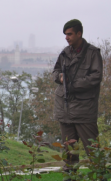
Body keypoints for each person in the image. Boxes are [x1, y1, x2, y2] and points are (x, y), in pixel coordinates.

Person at [53, 19, 103, 180]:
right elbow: (55, 72)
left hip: (84, 110)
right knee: (69, 153)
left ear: (79, 33)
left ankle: (101, 177)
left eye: (69, 34)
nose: (66, 37)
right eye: (65, 35)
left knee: (94, 151)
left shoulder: (92, 53)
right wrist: (60, 77)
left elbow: (96, 77)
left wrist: (73, 84)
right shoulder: (64, 53)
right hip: (65, 109)